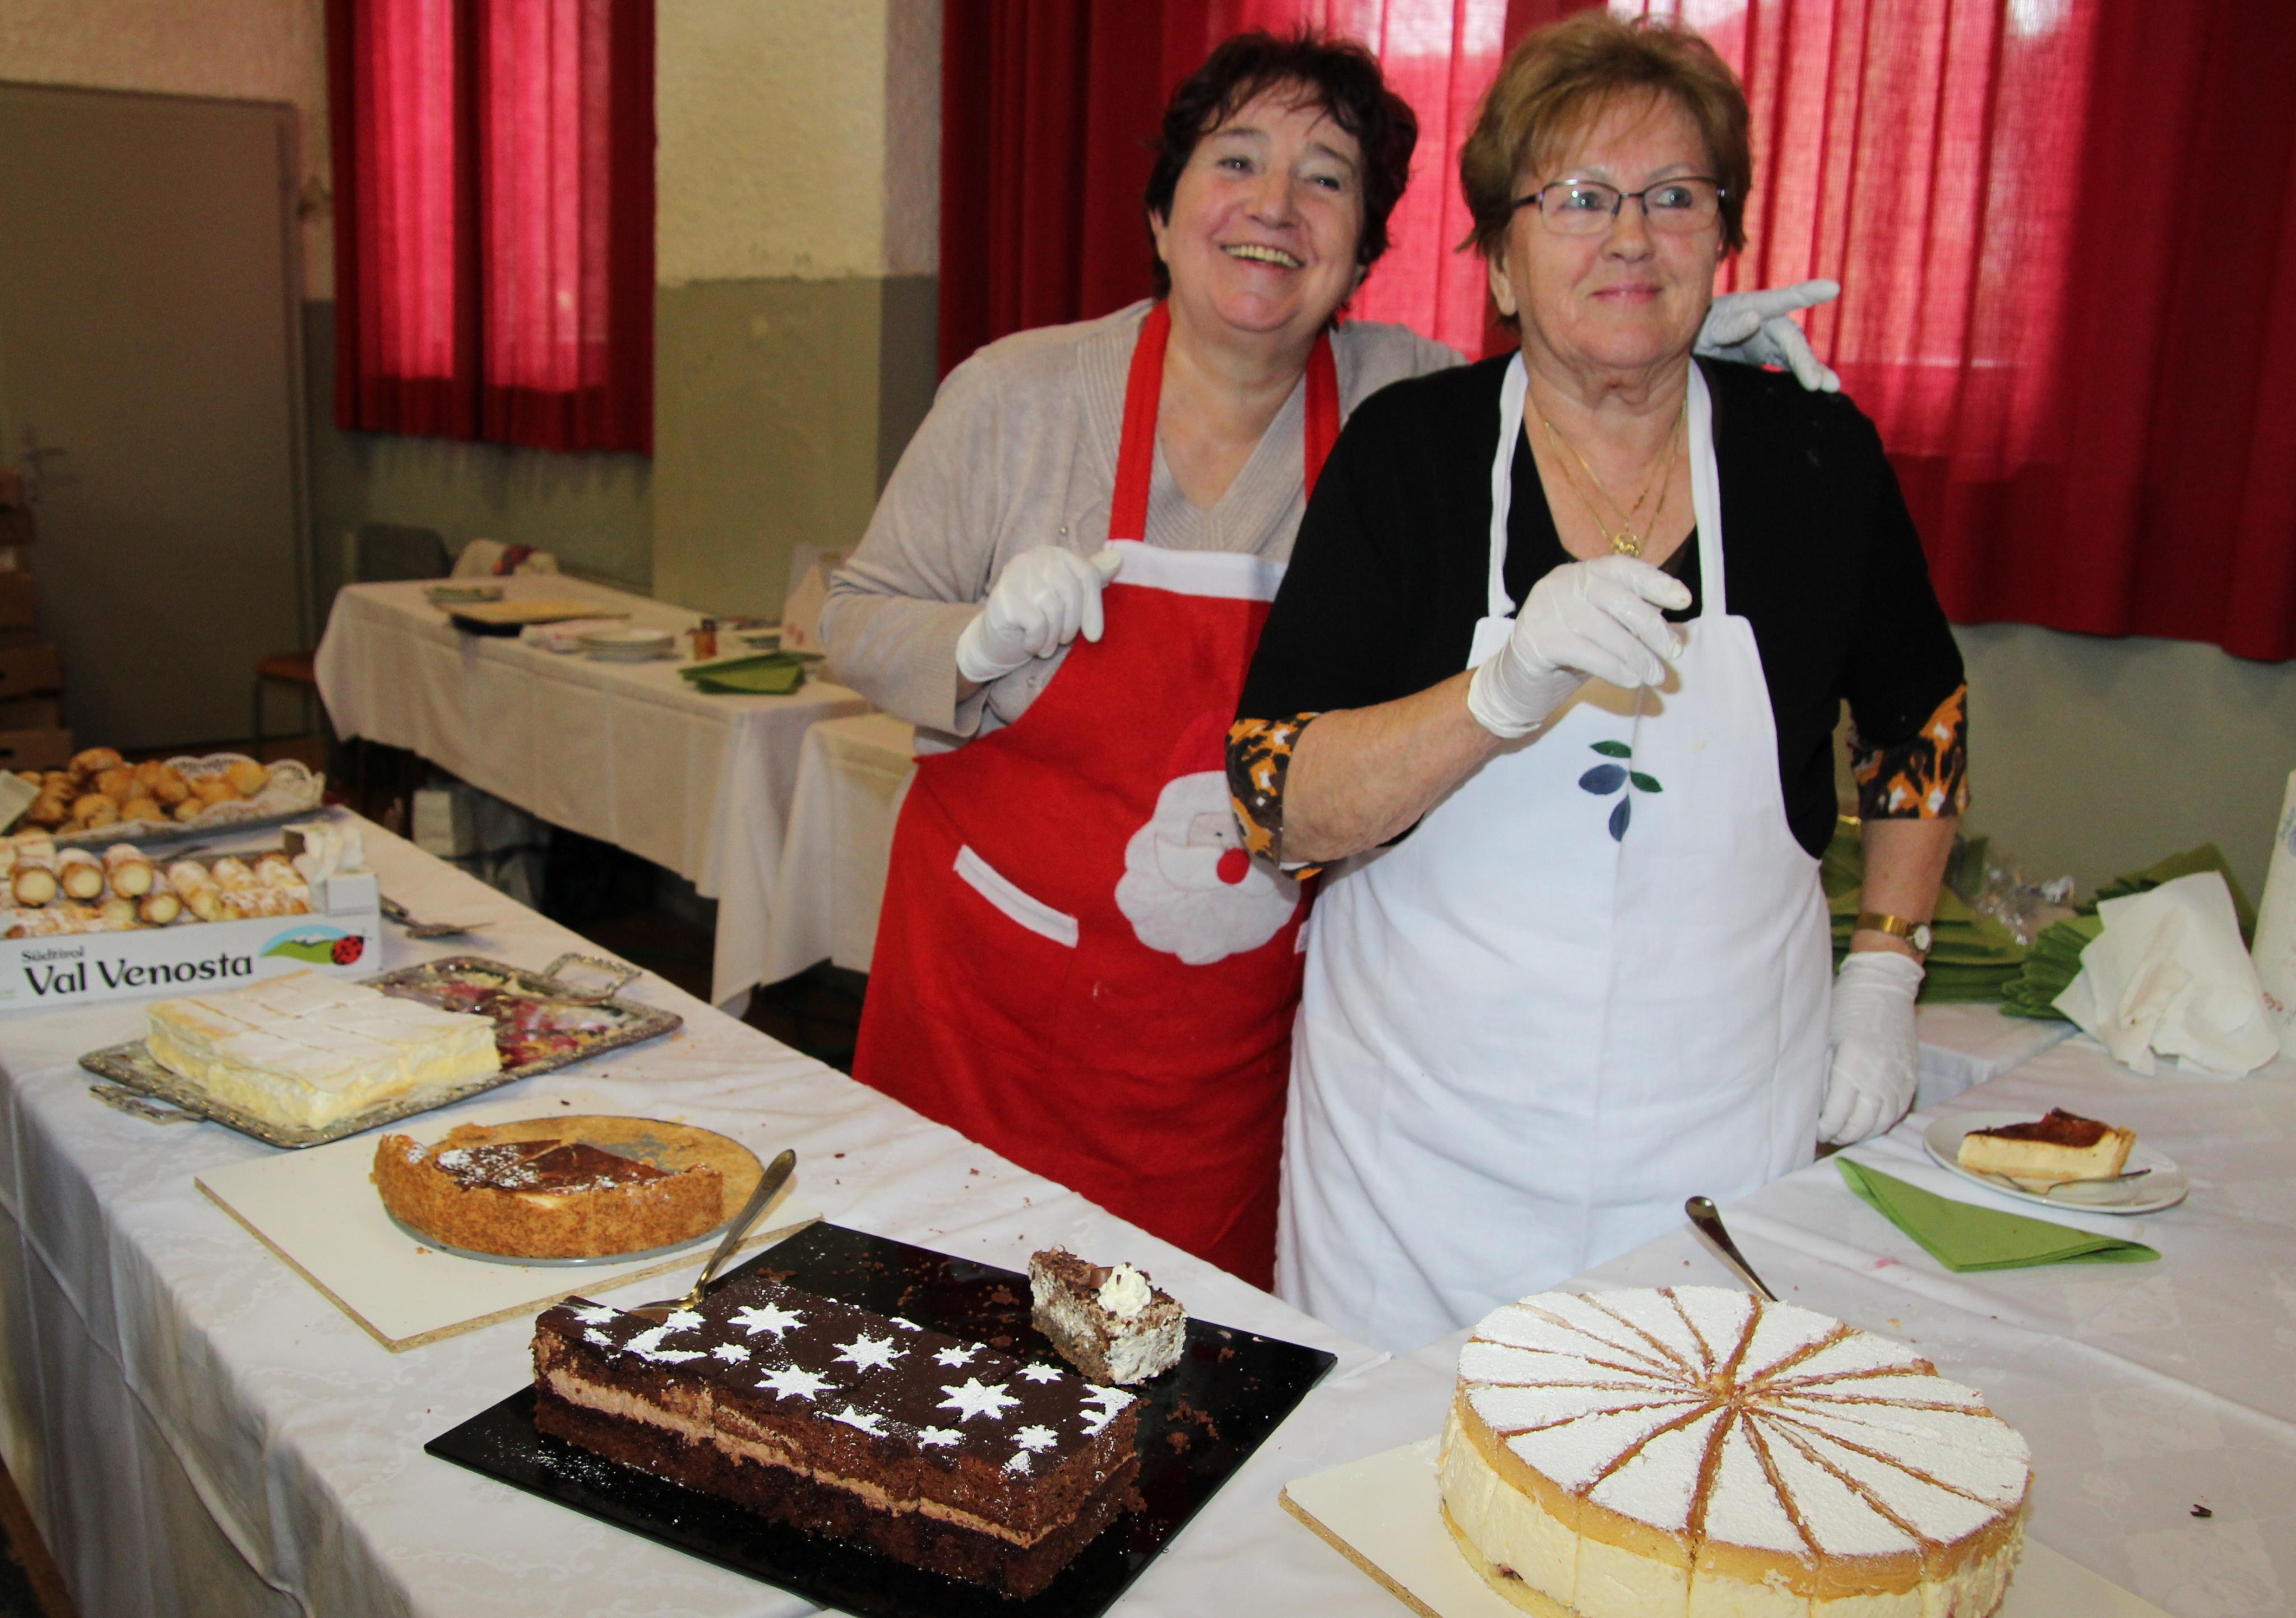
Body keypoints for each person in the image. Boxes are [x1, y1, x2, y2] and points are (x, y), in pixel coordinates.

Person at [821, 29, 1843, 1288]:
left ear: (1363, 251)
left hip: (1228, 1057)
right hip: (990, 1014)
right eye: (1235, 160)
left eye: (1326, 179)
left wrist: (1674, 354)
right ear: (1160, 213)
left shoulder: (1400, 408)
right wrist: (971, 643)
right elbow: (854, 616)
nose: (1274, 206)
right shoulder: (1014, 398)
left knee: (1187, 1362)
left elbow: (1563, 381)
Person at [1229, 12, 1966, 1348]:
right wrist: (1498, 693)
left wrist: (1884, 968)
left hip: (1717, 1157)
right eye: (1576, 198)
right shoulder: (1411, 458)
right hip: (1415, 1177)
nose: (1629, 238)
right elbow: (1273, 797)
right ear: (1500, 262)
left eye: (1673, 197)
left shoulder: (1810, 460)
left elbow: (1916, 721)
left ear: (1724, 237)